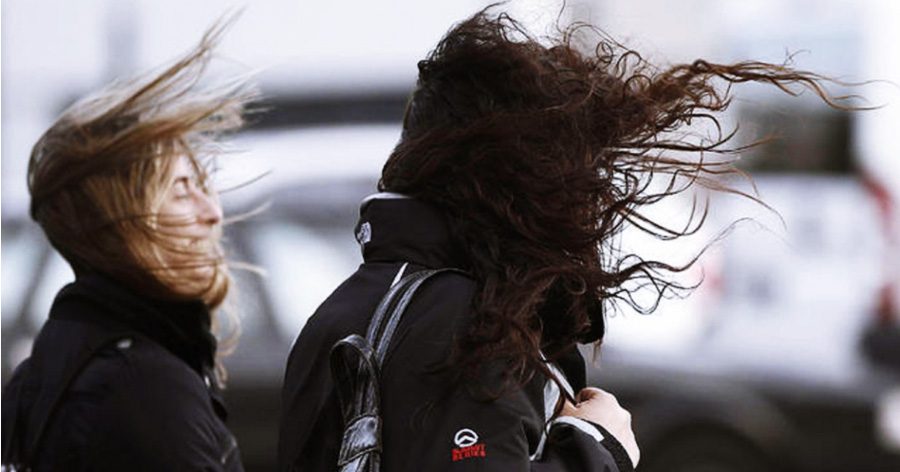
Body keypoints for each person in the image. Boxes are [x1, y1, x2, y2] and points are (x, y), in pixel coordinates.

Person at [278, 8, 848, 472]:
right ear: (512, 178)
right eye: (568, 169)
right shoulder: (459, 320)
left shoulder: (355, 303)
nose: (588, 195)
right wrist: (594, 447)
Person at [1, 19, 256, 472]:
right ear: (116, 224)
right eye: (181, 190)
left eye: (203, 185)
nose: (212, 211)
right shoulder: (142, 387)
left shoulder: (52, 364)